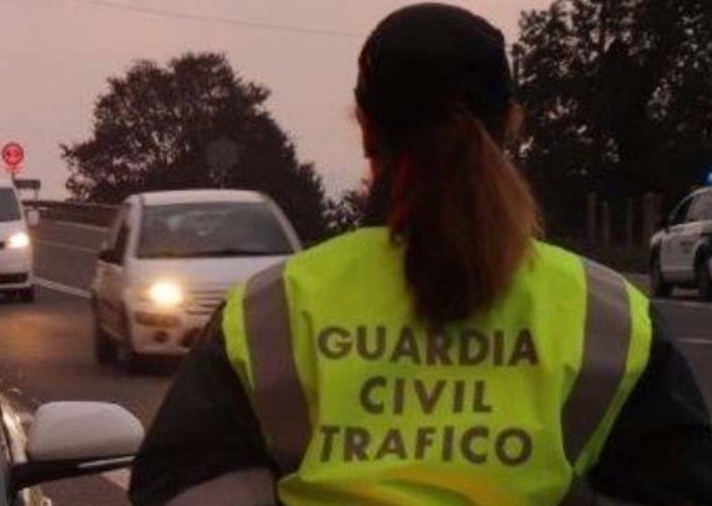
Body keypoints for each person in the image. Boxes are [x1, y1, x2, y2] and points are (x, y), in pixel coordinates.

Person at [129, 4, 712, 505]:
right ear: (512, 124)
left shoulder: (268, 312)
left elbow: (179, 483)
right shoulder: (609, 316)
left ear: (364, 127)